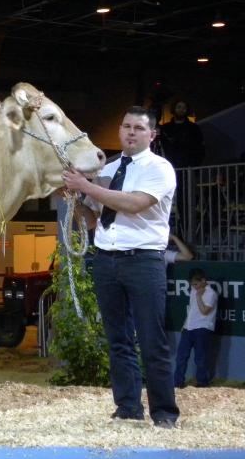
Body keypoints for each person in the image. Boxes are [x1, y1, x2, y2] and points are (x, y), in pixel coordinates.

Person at [63, 105, 180, 428]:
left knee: (151, 338)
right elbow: (93, 220)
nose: (130, 132)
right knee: (118, 339)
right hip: (106, 259)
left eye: (138, 128)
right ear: (119, 131)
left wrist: (86, 187)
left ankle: (164, 412)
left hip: (143, 260)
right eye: (126, 126)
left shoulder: (160, 169)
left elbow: (134, 204)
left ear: (152, 135)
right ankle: (128, 407)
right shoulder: (110, 170)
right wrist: (74, 200)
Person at [174, 268, 217, 389]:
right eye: (192, 284)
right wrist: (184, 325)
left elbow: (204, 311)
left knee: (200, 358)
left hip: (203, 328)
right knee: (181, 357)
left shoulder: (211, 294)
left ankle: (202, 383)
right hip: (188, 328)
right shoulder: (194, 290)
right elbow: (192, 309)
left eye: (196, 284)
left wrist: (199, 296)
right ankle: (178, 382)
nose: (194, 286)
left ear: (203, 280)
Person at [159, 100, 204, 168]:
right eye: (179, 107)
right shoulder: (166, 128)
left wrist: (194, 163)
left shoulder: (193, 128)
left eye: (184, 108)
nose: (181, 110)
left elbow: (199, 147)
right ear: (174, 109)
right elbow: (162, 146)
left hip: (188, 167)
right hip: (169, 166)